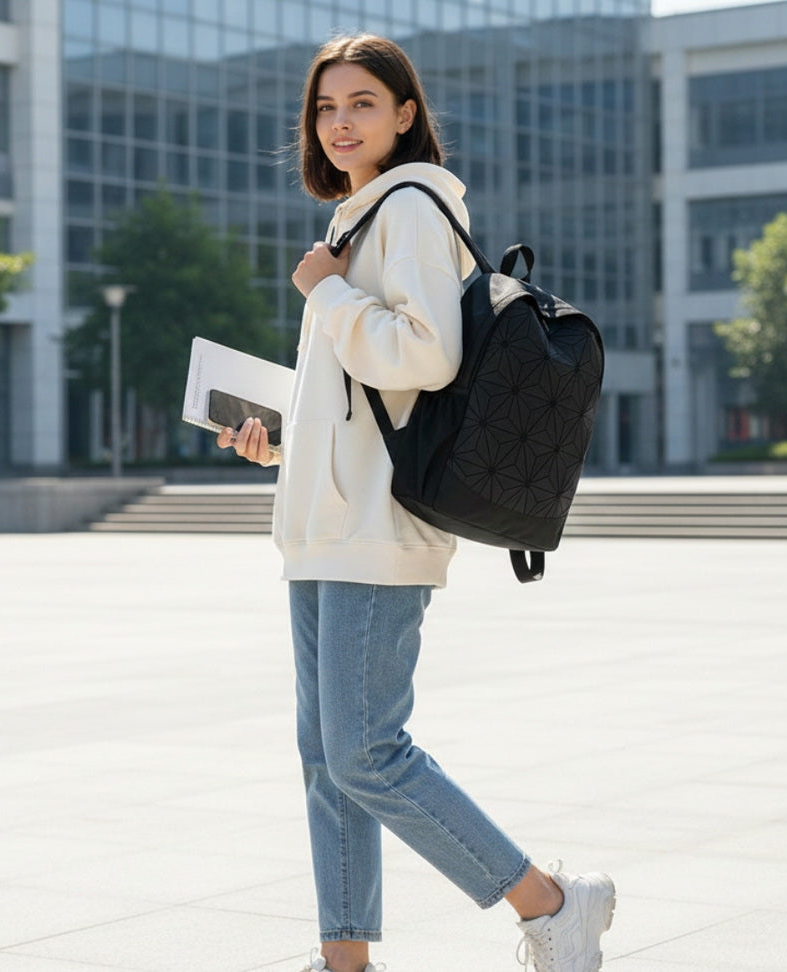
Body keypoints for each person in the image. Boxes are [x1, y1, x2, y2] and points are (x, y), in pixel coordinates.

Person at [217, 33, 614, 972]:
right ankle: (344, 959)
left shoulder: (411, 209)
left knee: (367, 752)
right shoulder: (356, 223)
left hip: (377, 532)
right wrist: (276, 440)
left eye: (363, 103)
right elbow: (365, 398)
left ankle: (554, 902)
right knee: (327, 760)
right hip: (322, 528)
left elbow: (426, 356)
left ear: (405, 114)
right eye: (326, 107)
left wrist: (324, 295)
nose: (341, 121)